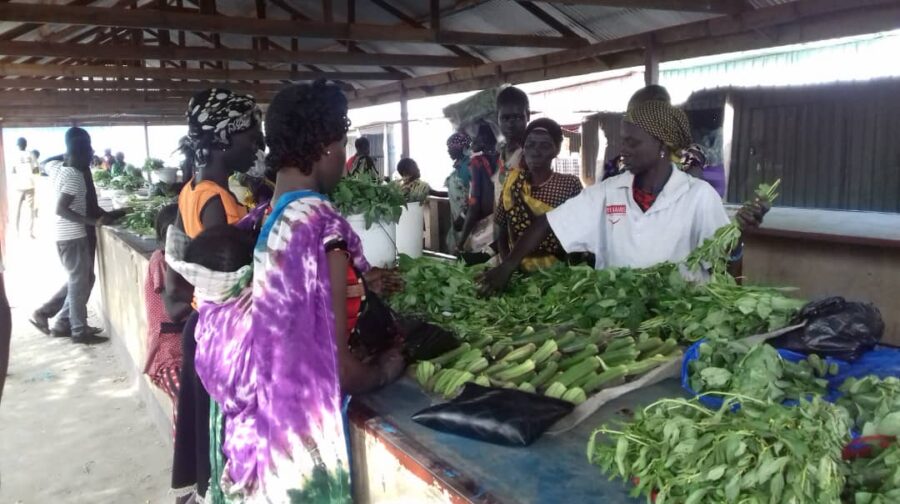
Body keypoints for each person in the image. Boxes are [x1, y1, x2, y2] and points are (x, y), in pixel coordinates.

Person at [188, 81, 405, 502]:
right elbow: (339, 368)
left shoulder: (265, 216)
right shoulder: (320, 226)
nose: (343, 155)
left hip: (251, 440)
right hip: (293, 453)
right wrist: (385, 369)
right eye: (342, 143)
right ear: (326, 147)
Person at [480, 98, 765, 294]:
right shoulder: (609, 191)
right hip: (618, 315)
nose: (623, 149)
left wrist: (737, 235)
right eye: (621, 139)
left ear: (662, 145)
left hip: (679, 316)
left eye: (632, 141)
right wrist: (507, 266)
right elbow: (547, 223)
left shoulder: (698, 197)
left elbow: (721, 262)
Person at [164, 87, 262, 502]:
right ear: (225, 137)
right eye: (250, 132)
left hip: (203, 325)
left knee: (208, 435)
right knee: (219, 437)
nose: (257, 140)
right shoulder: (216, 202)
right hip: (218, 328)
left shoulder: (193, 189)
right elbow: (224, 271)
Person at [30, 146, 123, 338]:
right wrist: (93, 222)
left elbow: (44, 162)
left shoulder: (58, 168)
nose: (91, 160)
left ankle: (57, 320)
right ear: (78, 155)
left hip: (63, 236)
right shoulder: (75, 177)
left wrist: (65, 153)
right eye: (88, 155)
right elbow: (61, 209)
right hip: (72, 235)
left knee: (82, 279)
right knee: (79, 281)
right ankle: (79, 330)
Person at [494, 118, 583, 271]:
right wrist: (508, 267)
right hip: (516, 269)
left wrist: (567, 273)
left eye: (545, 146)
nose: (535, 151)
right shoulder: (512, 183)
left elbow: (579, 234)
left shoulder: (569, 185)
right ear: (524, 148)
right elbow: (502, 231)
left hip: (557, 271)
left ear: (556, 150)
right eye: (530, 145)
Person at [143, 204, 183, 430]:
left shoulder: (173, 261)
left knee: (186, 408)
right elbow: (175, 312)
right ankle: (184, 462)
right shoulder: (161, 262)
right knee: (185, 403)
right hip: (167, 355)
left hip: (180, 353)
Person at [457, 123, 500, 255]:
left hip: (488, 228)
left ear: (483, 140)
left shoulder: (478, 162)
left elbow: (474, 205)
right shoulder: (506, 159)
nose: (472, 142)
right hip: (507, 228)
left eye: (475, 138)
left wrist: (460, 244)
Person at [496, 86, 530, 181]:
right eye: (505, 118)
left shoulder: (532, 151)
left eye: (517, 117)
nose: (510, 125)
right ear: (497, 118)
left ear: (528, 115)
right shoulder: (500, 153)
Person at [445, 132, 472, 251]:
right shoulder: (460, 166)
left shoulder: (468, 167)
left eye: (451, 147)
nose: (448, 150)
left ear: (462, 147)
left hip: (468, 219)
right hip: (459, 218)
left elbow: (473, 195)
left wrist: (463, 216)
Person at [12, 137, 38, 239]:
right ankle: (29, 233)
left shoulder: (14, 155)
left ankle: (16, 232)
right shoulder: (31, 154)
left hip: (18, 186)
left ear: (18, 145)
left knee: (16, 210)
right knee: (29, 210)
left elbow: (12, 171)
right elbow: (36, 170)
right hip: (30, 185)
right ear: (26, 145)